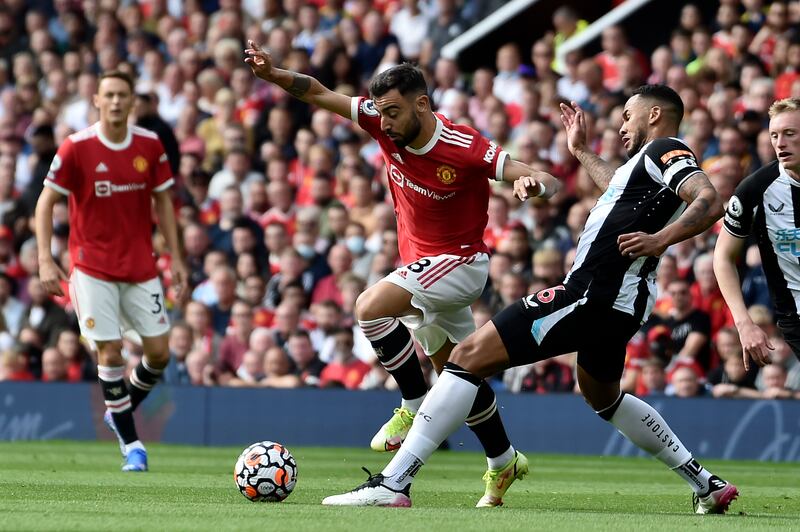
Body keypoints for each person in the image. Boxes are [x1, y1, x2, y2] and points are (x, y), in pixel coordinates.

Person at [323, 85, 739, 515]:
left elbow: (708, 200)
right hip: (622, 303)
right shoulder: (644, 168)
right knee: (604, 398)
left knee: (465, 358)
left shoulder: (667, 148)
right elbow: (618, 189)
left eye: (628, 116)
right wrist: (579, 151)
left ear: (654, 114)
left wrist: (661, 238)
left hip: (591, 292)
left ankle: (395, 481)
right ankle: (704, 483)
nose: (621, 125)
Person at [245, 41, 560, 506]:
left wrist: (530, 185)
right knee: (458, 376)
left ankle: (411, 406)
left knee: (369, 307)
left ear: (422, 104)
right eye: (380, 113)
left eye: (393, 112)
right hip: (423, 269)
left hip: (461, 263)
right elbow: (319, 92)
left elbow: (542, 178)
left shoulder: (462, 145)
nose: (384, 123)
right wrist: (274, 75)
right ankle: (504, 459)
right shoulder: (380, 121)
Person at [34, 70, 188, 472]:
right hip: (91, 268)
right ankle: (132, 444)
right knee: (111, 350)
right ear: (97, 101)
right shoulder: (76, 147)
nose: (117, 101)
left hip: (140, 267)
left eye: (123, 95)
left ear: (132, 100)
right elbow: (45, 202)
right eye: (109, 95)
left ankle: (118, 409)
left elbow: (165, 206)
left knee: (159, 354)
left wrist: (178, 258)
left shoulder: (150, 145)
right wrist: (45, 259)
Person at [714, 97, 800, 368]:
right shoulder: (755, 189)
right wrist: (744, 323)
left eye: (790, 133)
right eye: (774, 135)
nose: (780, 142)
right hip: (795, 315)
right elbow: (723, 257)